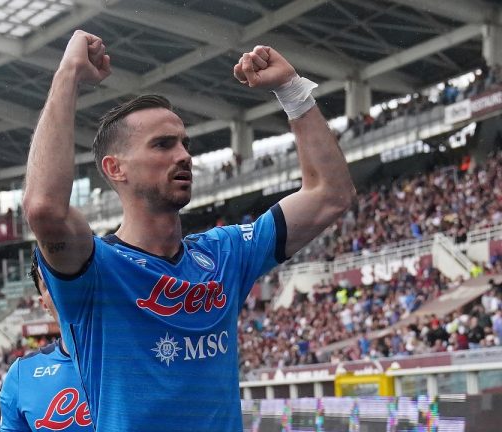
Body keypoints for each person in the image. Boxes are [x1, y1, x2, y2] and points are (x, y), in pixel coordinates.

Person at [22, 30, 355, 431]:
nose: (183, 156)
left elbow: (332, 193)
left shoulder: (226, 253)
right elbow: (43, 207)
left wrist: (292, 91)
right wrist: (68, 76)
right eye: (162, 145)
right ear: (115, 169)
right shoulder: (94, 271)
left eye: (185, 143)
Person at [0, 255, 92, 431]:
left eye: (71, 275)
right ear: (44, 305)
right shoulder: (22, 374)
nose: (62, 287)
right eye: (50, 283)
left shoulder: (140, 358)